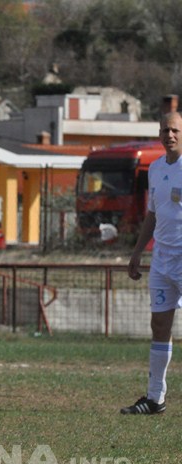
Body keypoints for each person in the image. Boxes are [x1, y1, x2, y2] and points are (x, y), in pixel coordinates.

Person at [122, 111, 182, 415]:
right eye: (165, 130)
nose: (169, 135)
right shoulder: (155, 169)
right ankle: (155, 398)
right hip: (161, 260)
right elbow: (153, 215)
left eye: (175, 130)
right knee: (159, 325)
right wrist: (137, 252)